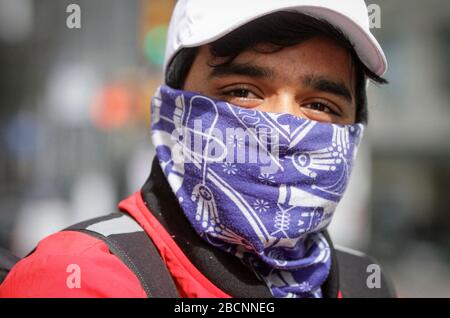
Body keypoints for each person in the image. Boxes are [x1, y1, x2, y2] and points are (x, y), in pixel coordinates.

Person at [0, 0, 396, 298]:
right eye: (243, 92)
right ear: (173, 107)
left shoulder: (365, 282)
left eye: (320, 105)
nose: (284, 129)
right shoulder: (78, 277)